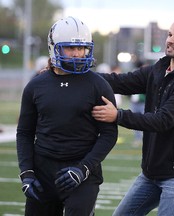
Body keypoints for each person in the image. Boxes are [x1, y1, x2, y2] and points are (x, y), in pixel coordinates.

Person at [92, 16, 174, 216]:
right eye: (170, 34)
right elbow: (120, 82)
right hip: (153, 170)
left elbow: (163, 120)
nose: (171, 39)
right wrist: (77, 73)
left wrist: (118, 116)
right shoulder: (159, 69)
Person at [16, 17, 118, 216]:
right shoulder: (36, 85)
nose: (77, 54)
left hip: (82, 170)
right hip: (43, 170)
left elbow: (108, 135)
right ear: (54, 47)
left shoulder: (98, 85)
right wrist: (27, 172)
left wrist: (83, 169)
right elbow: (25, 132)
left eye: (81, 48)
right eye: (70, 48)